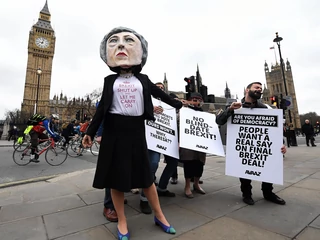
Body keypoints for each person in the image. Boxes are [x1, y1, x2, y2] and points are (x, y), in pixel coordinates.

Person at [82, 27, 185, 239]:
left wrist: (176, 103)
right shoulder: (109, 81)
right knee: (116, 179)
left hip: (137, 131)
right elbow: (102, 109)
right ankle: (122, 220)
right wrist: (91, 131)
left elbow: (161, 94)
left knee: (146, 178)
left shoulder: (144, 79)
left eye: (129, 41)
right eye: (115, 42)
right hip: (114, 132)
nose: (121, 46)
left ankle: (160, 216)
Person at [216, 82, 287, 205]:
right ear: (247, 90)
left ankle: (268, 193)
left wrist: (280, 144)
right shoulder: (236, 106)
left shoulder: (264, 108)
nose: (259, 90)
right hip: (243, 144)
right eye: (256, 87)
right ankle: (246, 194)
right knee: (244, 169)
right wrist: (230, 109)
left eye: (260, 88)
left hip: (260, 145)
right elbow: (219, 121)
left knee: (267, 166)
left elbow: (273, 131)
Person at [179, 92, 207, 198]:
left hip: (200, 143)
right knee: (189, 164)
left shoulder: (204, 113)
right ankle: (187, 187)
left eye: (198, 100)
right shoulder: (184, 112)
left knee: (200, 164)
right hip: (188, 143)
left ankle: (196, 184)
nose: (196, 102)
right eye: (194, 100)